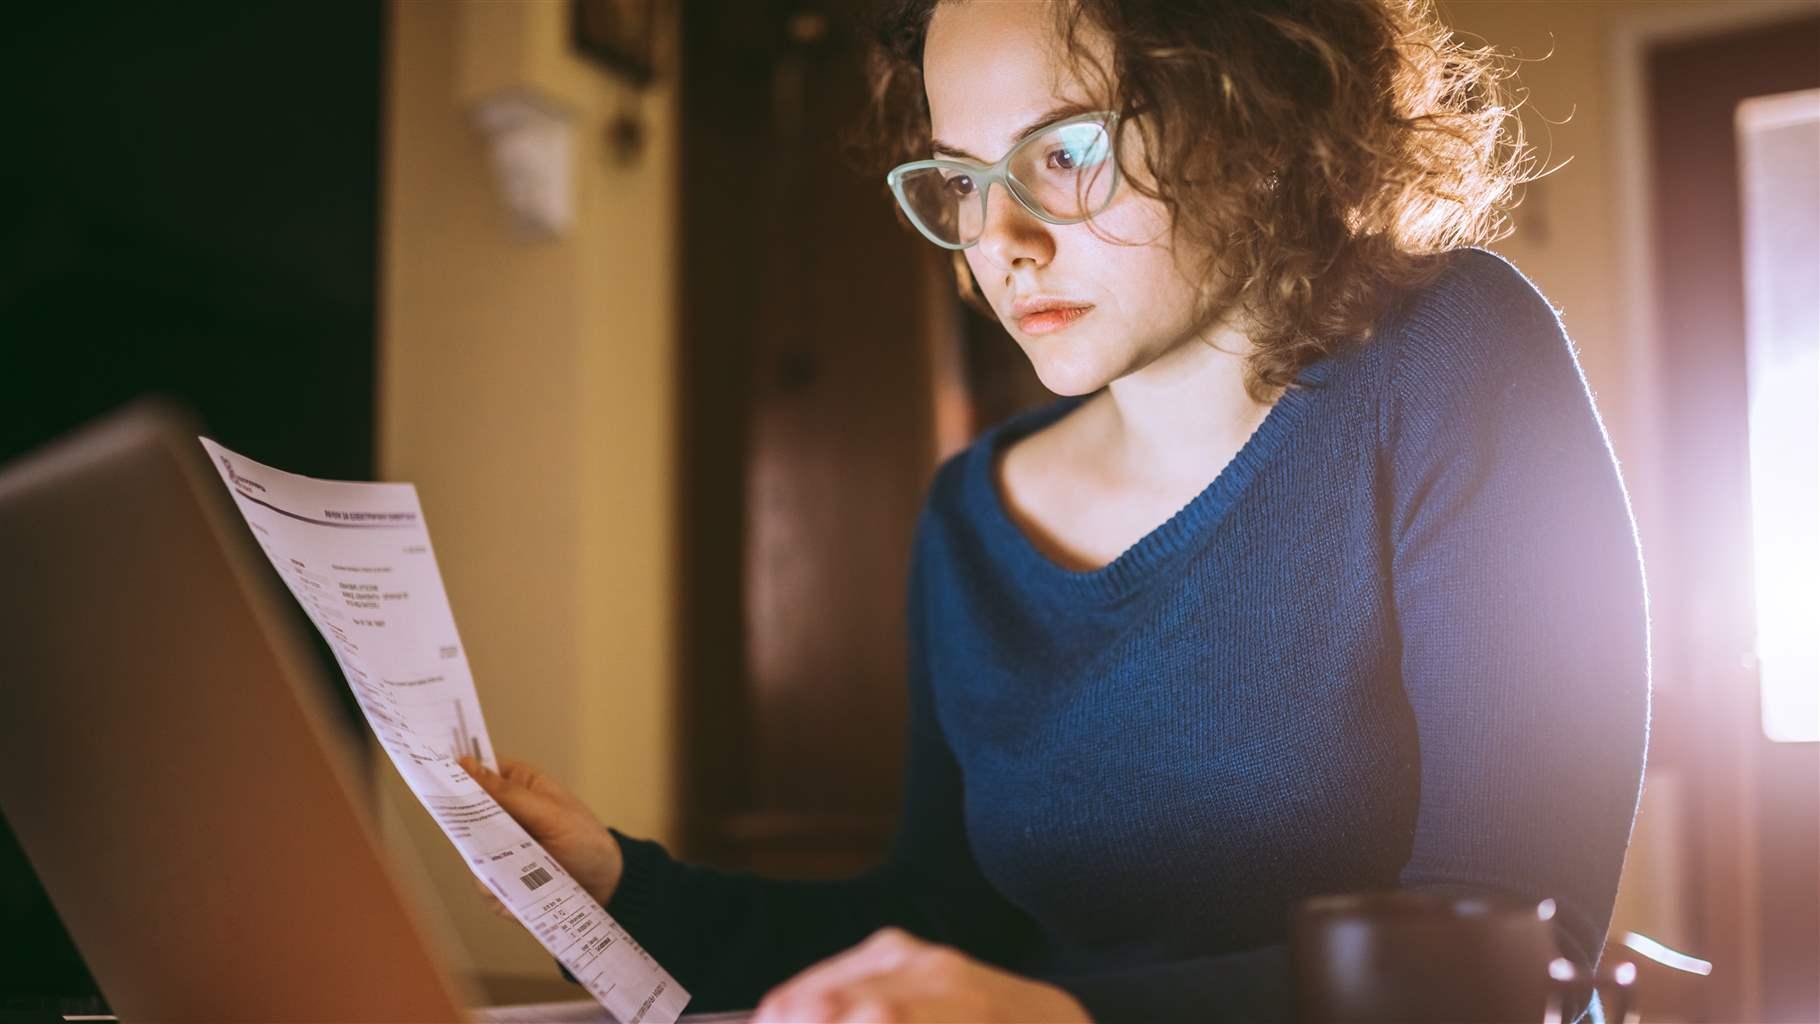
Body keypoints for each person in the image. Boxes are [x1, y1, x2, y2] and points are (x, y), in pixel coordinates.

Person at [461, 1, 1650, 1021]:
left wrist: (1075, 1014)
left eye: (1065, 151)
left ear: (1253, 107)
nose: (999, 241)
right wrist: (618, 881)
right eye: (962, 181)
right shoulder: (971, 518)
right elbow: (936, 929)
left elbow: (1510, 935)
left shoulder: (1452, 355)